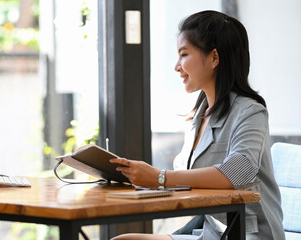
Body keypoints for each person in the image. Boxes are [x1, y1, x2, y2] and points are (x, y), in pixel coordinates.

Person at [110, 10, 285, 240]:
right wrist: (137, 177)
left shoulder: (251, 112)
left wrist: (160, 177)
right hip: (210, 233)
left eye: (184, 54)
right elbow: (185, 177)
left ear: (214, 58)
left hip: (247, 234)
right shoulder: (200, 115)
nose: (177, 66)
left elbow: (236, 173)